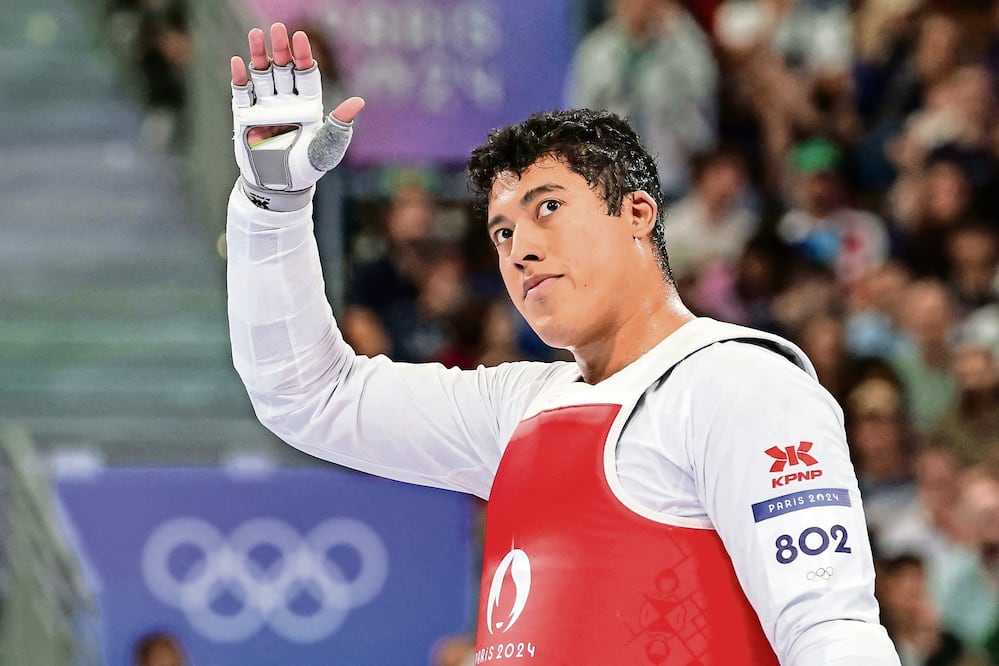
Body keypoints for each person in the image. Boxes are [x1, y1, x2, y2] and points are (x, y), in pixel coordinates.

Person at [227, 23, 900, 664]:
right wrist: (272, 211)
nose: (521, 247)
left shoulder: (737, 384)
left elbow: (831, 631)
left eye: (547, 208)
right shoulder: (515, 409)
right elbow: (307, 395)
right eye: (501, 232)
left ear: (637, 213)